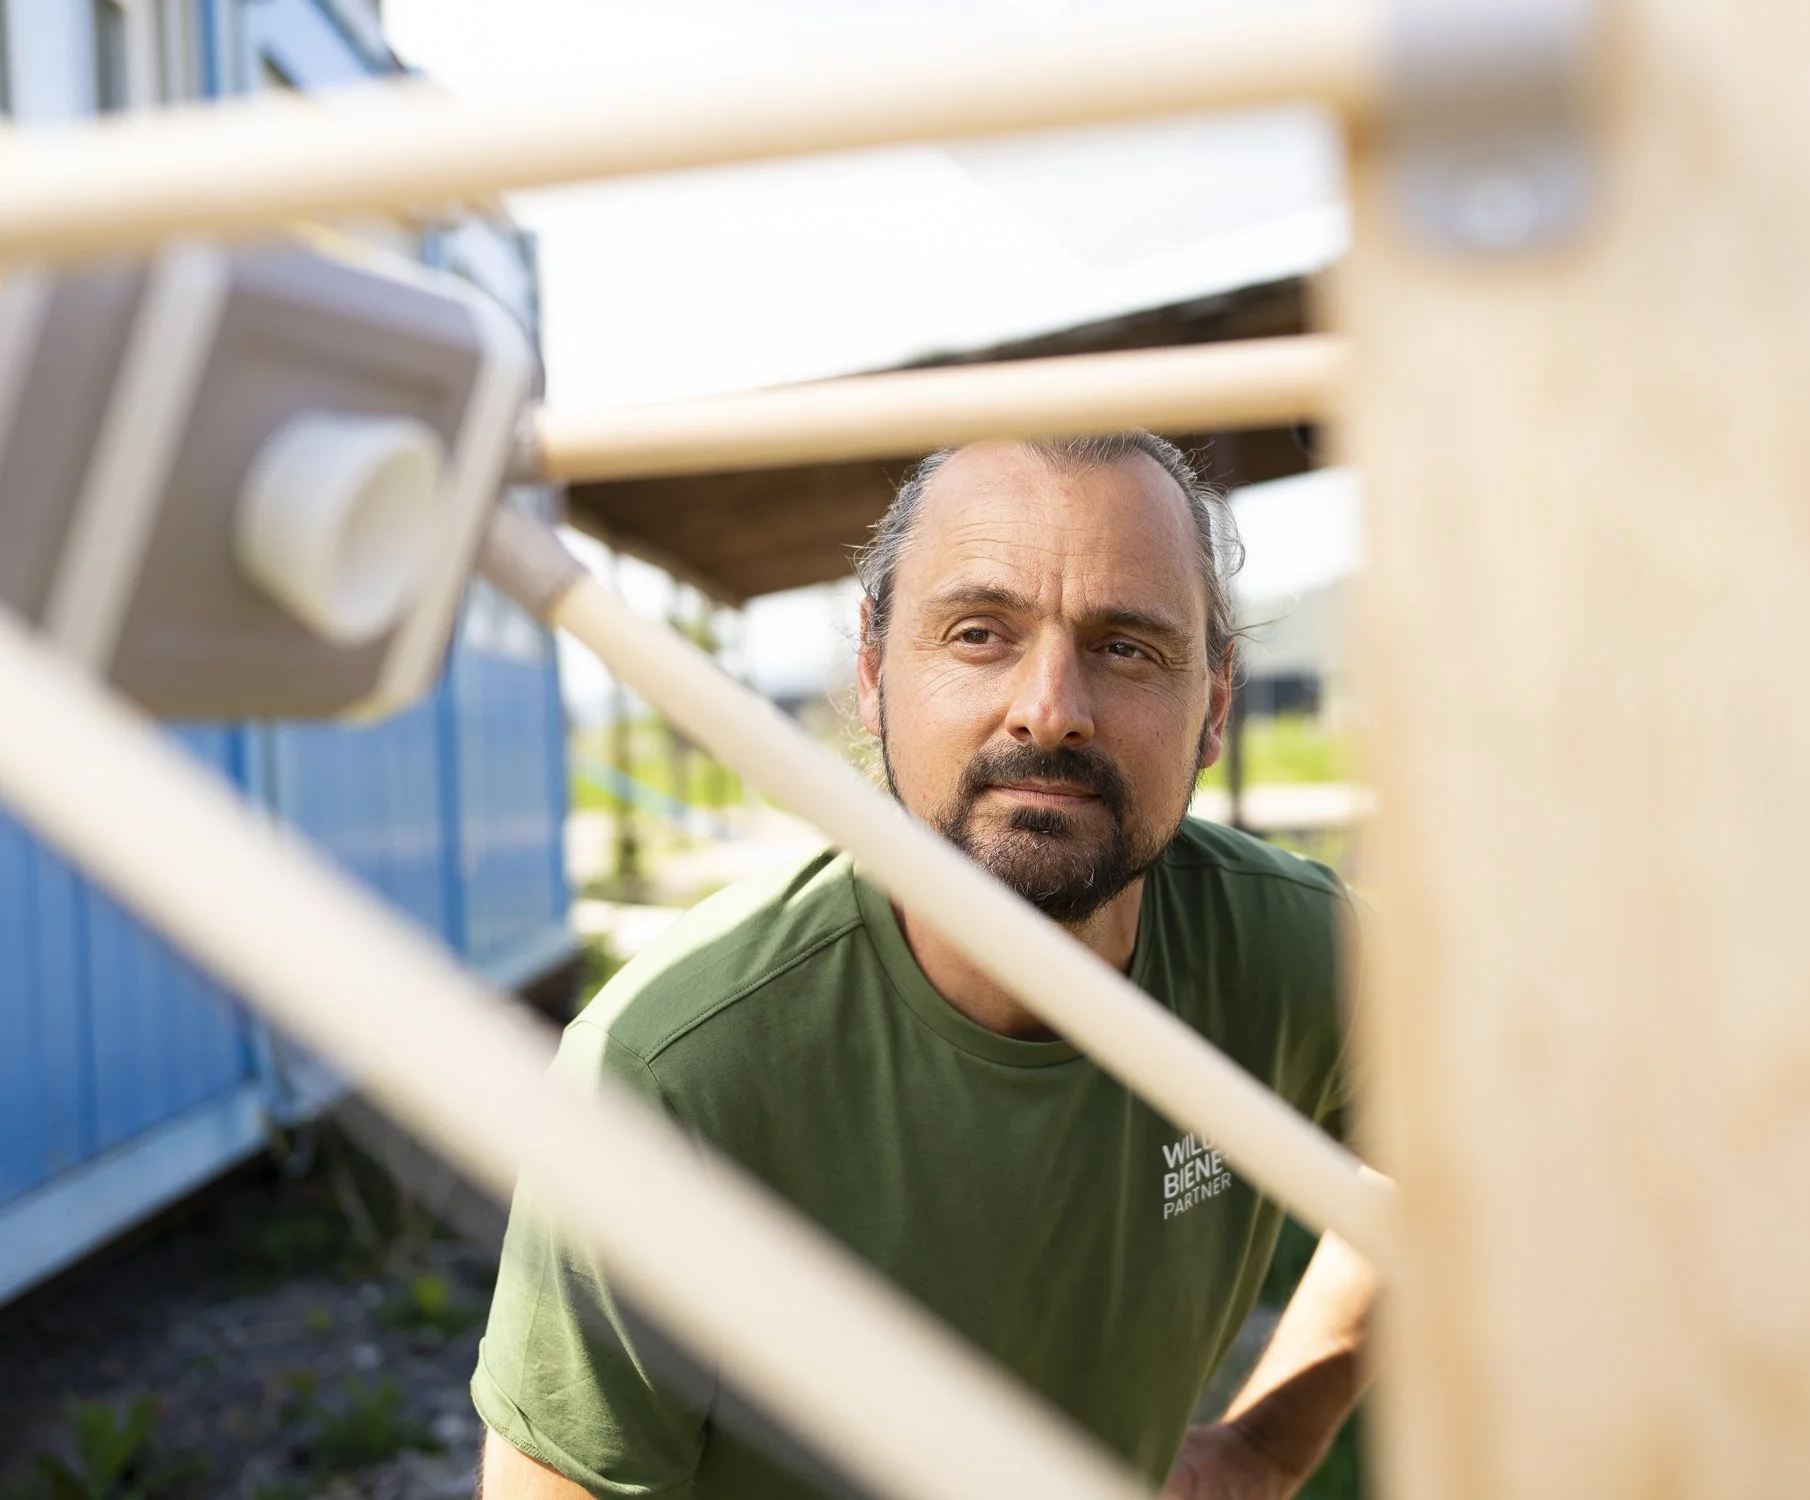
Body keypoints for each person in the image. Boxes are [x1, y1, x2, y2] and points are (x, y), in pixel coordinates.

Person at [473, 433, 1377, 1499]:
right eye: (979, 633)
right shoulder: (672, 1075)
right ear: (872, 675)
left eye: (1128, 646)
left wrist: (1268, 1445)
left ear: (1216, 705)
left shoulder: (1294, 950)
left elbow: (1481, 1163)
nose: (1051, 707)